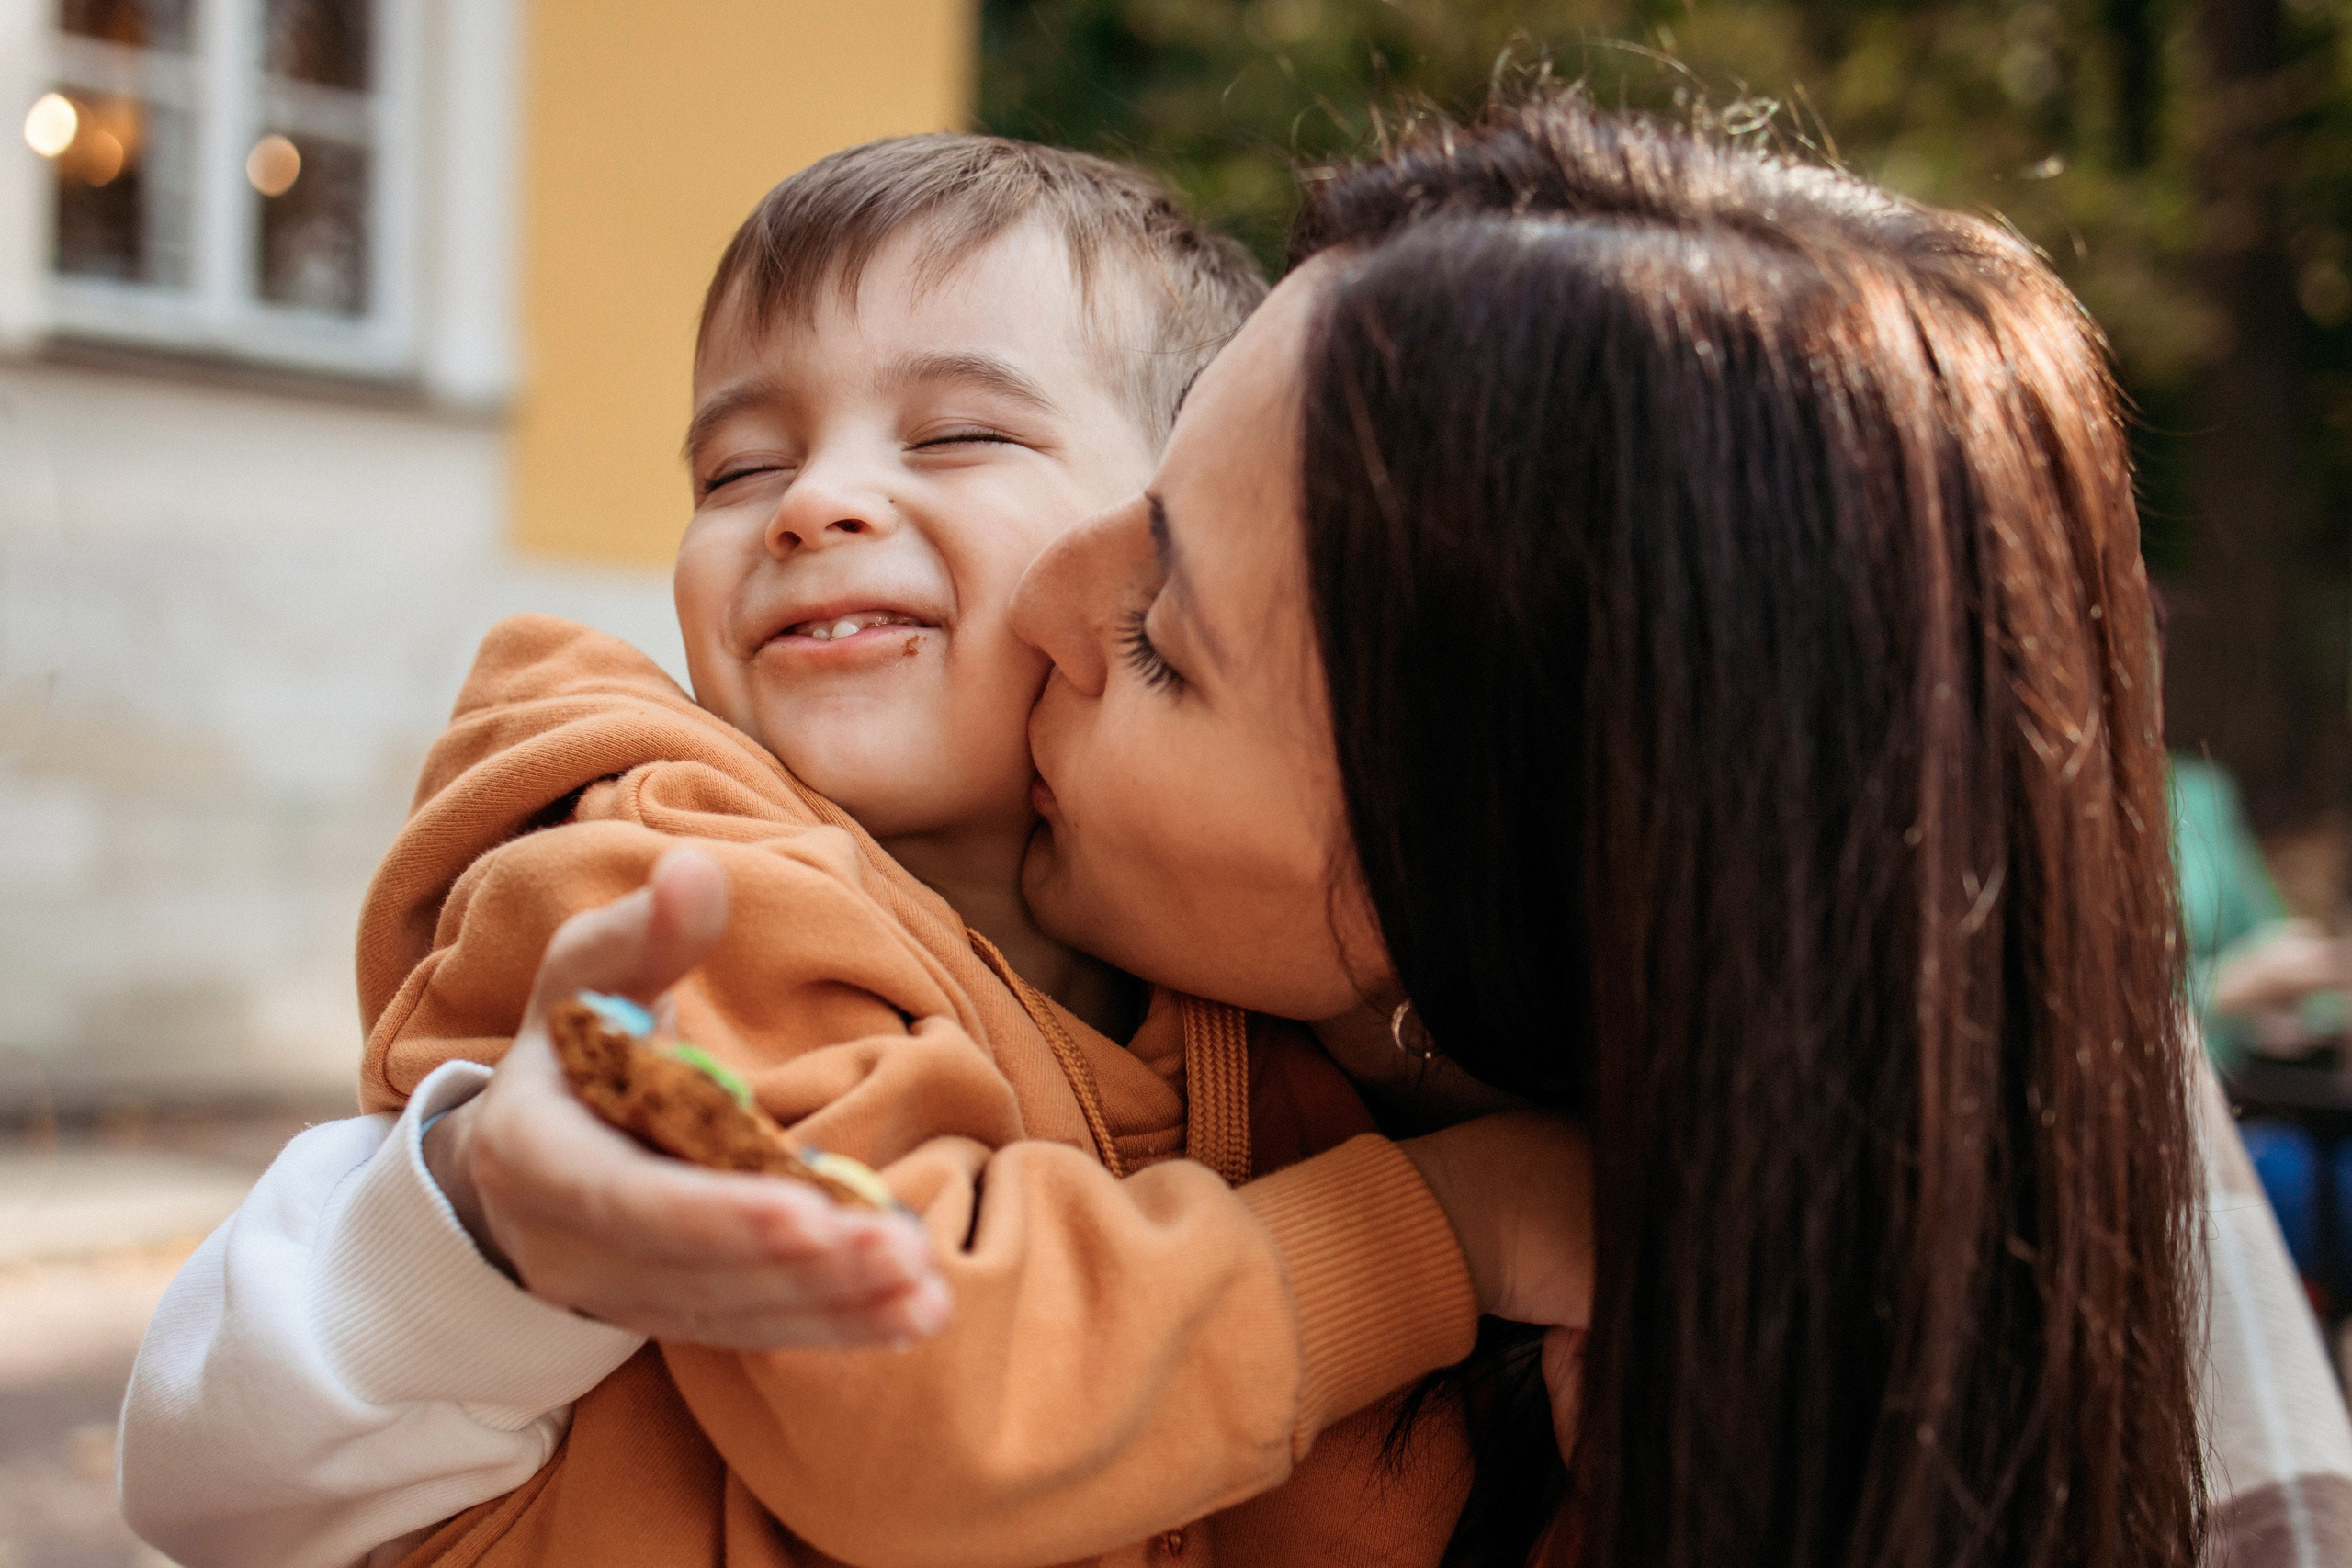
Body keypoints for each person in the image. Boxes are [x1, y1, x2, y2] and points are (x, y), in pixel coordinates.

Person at [121, 131, 1592, 1568]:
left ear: (1165, 533)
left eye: (956, 433)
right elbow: (928, 1400)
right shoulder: (677, 878)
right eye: (736, 468)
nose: (815, 503)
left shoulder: (1231, 989)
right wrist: (1455, 1228)